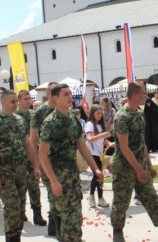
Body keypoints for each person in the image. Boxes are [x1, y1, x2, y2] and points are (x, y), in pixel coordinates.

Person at [39, 84, 104, 242]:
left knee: (75, 215)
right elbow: (42, 155)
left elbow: (82, 147)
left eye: (70, 93)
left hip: (73, 176)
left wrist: (95, 169)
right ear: (55, 98)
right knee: (69, 218)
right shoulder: (50, 123)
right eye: (65, 94)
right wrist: (53, 181)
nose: (70, 97)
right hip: (59, 177)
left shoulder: (73, 119)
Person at [111, 82, 158, 242]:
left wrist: (149, 166)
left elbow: (142, 143)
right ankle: (118, 231)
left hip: (140, 166)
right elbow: (124, 147)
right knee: (121, 202)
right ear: (135, 95)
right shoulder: (122, 117)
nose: (147, 96)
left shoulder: (139, 114)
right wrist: (138, 170)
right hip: (124, 168)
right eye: (144, 93)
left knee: (151, 198)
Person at [0, 89, 41, 241]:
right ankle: (11, 237)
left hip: (20, 169)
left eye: (16, 101)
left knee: (21, 205)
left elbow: (28, 144)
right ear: (2, 103)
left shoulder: (19, 120)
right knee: (11, 206)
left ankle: (16, 236)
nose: (16, 104)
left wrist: (35, 166)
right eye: (12, 101)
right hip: (4, 171)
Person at [15, 89, 47, 226]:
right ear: (19, 101)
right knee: (20, 188)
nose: (29, 101)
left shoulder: (35, 115)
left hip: (33, 156)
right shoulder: (13, 116)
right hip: (18, 158)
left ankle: (37, 214)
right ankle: (21, 213)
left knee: (34, 186)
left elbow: (40, 135)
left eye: (30, 99)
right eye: (25, 99)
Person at [30, 81, 58, 236]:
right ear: (48, 95)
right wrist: (37, 162)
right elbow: (33, 138)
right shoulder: (40, 113)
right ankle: (54, 223)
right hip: (46, 159)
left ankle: (56, 223)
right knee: (53, 192)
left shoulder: (64, 110)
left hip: (62, 160)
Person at [85, 105, 112, 208]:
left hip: (100, 154)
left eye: (101, 114)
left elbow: (102, 140)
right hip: (92, 154)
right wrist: (103, 135)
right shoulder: (90, 124)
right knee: (98, 175)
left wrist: (108, 142)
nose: (100, 116)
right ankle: (92, 196)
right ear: (92, 114)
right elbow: (90, 138)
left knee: (100, 176)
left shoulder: (100, 125)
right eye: (98, 113)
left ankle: (100, 198)